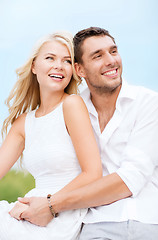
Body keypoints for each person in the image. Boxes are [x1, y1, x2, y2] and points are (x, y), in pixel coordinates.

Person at [16, 27, 158, 239]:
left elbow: (130, 179)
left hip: (145, 221)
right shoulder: (71, 109)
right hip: (93, 225)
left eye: (113, 51)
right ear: (80, 70)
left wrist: (50, 204)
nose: (111, 61)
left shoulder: (149, 103)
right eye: (98, 56)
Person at [0, 31, 103, 240]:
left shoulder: (71, 105)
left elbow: (93, 173)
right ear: (34, 66)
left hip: (63, 212)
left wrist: (49, 204)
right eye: (50, 58)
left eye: (67, 61)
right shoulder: (22, 123)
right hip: (32, 209)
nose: (59, 65)